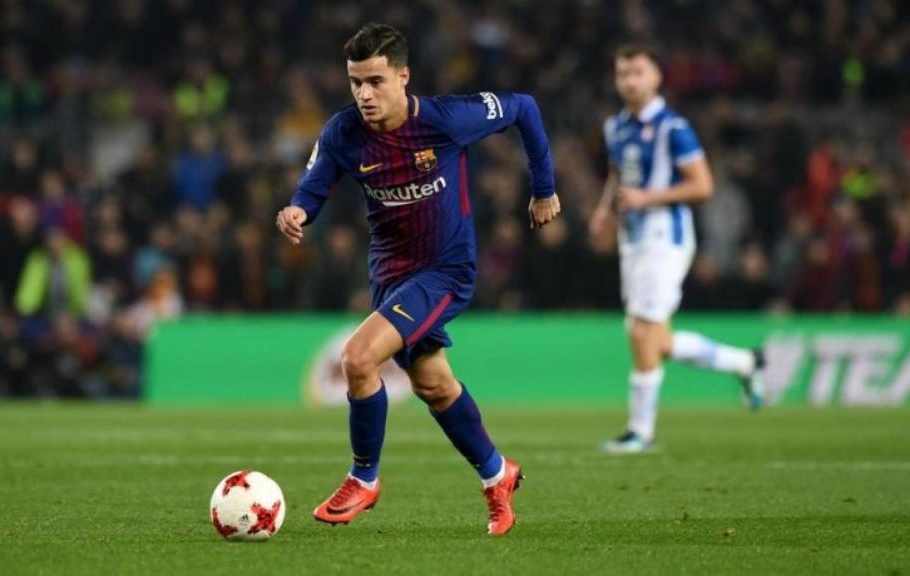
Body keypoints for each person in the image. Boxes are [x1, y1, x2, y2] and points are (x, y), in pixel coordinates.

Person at [276, 23, 560, 535]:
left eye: (376, 81)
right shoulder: (342, 133)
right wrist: (298, 211)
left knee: (359, 359)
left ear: (403, 77)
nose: (364, 94)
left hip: (445, 272)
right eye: (356, 82)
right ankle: (498, 474)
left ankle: (363, 479)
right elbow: (313, 185)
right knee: (433, 384)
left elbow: (525, 107)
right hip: (390, 275)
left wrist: (543, 190)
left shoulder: (449, 120)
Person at [589, 45, 766, 454]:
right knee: (658, 340)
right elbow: (618, 174)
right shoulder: (615, 126)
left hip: (664, 238)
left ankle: (640, 432)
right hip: (632, 239)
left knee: (640, 331)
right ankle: (746, 363)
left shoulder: (674, 128)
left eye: (637, 72)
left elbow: (703, 185)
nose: (629, 81)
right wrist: (603, 212)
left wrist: (648, 198)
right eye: (622, 73)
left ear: (656, 77)